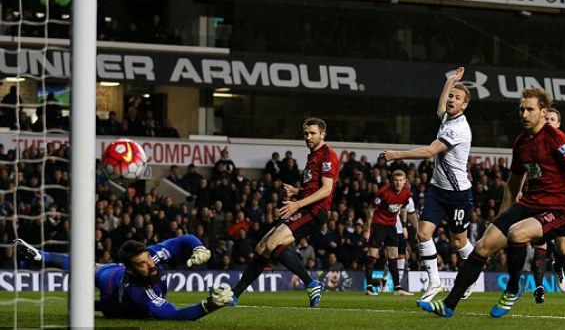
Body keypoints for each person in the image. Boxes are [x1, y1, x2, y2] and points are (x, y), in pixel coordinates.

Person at [418, 86, 565, 318]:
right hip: (529, 204)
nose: (524, 114)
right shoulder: (521, 142)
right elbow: (513, 183)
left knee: (517, 234)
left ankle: (513, 288)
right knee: (481, 246)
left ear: (543, 112)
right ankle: (448, 305)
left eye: (530, 109)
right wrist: (501, 216)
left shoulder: (555, 138)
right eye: (521, 109)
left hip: (556, 210)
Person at [381, 67, 475, 301]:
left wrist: (397, 155)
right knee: (423, 234)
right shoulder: (447, 117)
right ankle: (434, 284)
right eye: (452, 96)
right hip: (437, 189)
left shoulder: (458, 128)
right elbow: (440, 107)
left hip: (458, 194)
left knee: (459, 241)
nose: (452, 100)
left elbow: (430, 151)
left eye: (457, 98)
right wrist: (450, 82)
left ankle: (472, 274)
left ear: (465, 106)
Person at [230, 117, 339, 307]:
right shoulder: (312, 156)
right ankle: (235, 294)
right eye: (306, 133)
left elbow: (326, 190)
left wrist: (297, 204)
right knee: (261, 248)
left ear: (323, 134)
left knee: (272, 244)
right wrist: (297, 192)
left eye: (313, 133)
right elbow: (313, 188)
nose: (308, 137)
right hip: (306, 206)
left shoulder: (328, 155)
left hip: (315, 211)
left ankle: (311, 283)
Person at [13, 235, 233, 320]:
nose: (150, 264)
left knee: (89, 265)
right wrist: (209, 305)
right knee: (105, 302)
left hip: (114, 269)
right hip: (112, 286)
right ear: (131, 269)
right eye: (142, 264)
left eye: (148, 258)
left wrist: (198, 248)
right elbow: (176, 315)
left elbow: (184, 239)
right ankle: (91, 304)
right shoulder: (140, 294)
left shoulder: (153, 257)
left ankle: (39, 256)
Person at [527, 107, 565, 303]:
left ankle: (558, 266)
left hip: (561, 204)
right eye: (547, 119)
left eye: (553, 119)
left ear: (559, 124)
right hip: (541, 201)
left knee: (562, 250)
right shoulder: (534, 144)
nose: (550, 121)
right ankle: (539, 286)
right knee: (540, 241)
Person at [363, 170, 413, 296]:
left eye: (401, 180)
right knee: (372, 255)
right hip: (378, 225)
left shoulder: (406, 193)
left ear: (405, 181)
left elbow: (404, 208)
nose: (398, 183)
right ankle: (369, 287)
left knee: (393, 257)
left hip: (391, 226)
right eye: (396, 180)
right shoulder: (383, 192)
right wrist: (367, 229)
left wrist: (405, 227)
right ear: (392, 181)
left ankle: (397, 288)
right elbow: (371, 209)